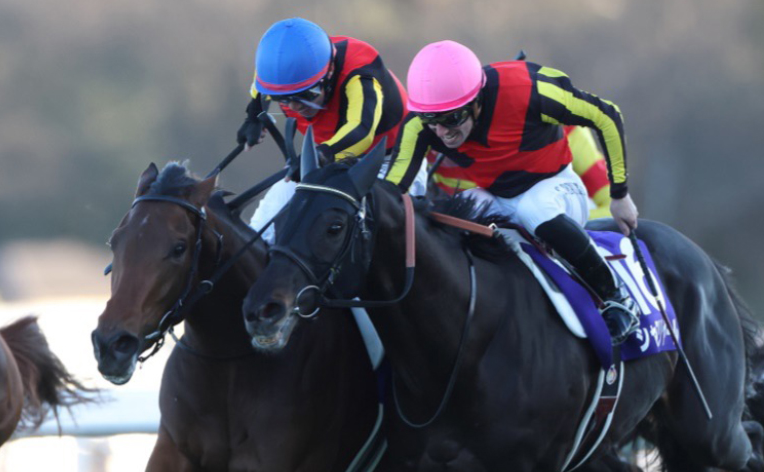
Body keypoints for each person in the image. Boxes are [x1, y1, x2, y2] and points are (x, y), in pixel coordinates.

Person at [384, 41, 640, 345]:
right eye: (431, 121)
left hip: (557, 187)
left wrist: (620, 195)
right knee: (455, 215)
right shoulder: (419, 124)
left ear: (478, 100)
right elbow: (392, 190)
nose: (441, 133)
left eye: (452, 119)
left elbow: (607, 116)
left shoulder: (528, 88)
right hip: (495, 195)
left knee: (533, 210)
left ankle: (617, 296)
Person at [236, 17, 416, 241]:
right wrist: (254, 115)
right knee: (275, 205)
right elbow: (263, 83)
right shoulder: (281, 73)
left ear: (329, 74)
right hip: (333, 158)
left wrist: (320, 157)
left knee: (369, 227)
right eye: (282, 99)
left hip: (395, 160)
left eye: (305, 96)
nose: (293, 107)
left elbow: (361, 131)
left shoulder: (361, 74)